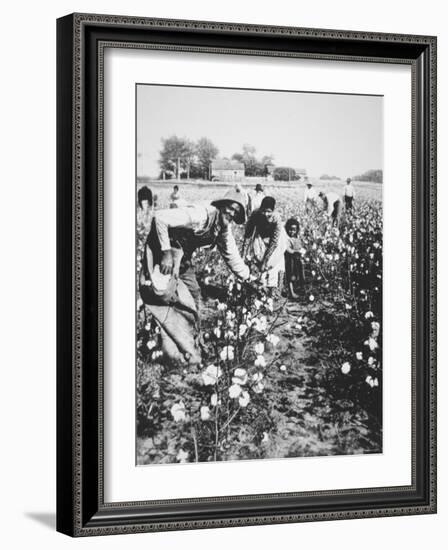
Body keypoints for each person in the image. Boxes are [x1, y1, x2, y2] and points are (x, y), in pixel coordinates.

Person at [139, 189, 250, 365]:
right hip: (162, 250)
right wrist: (166, 253)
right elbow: (159, 218)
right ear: (221, 205)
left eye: (236, 212)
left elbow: (232, 256)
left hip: (182, 258)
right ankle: (163, 347)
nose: (232, 213)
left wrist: (249, 278)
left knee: (194, 297)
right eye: (230, 208)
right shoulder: (201, 215)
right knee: (164, 295)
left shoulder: (222, 230)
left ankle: (191, 346)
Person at [243, 196, 287, 290]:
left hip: (275, 240)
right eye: (264, 211)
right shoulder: (255, 215)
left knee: (273, 262)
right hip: (260, 236)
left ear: (273, 211)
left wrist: (265, 262)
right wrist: (243, 255)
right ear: (260, 209)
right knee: (256, 258)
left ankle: (274, 287)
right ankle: (257, 284)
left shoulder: (276, 219)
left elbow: (274, 242)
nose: (266, 214)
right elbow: (248, 235)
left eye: (269, 211)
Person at [284, 218, 305, 299]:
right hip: (290, 260)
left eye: (294, 230)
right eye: (290, 230)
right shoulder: (287, 239)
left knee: (299, 274)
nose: (292, 232)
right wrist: (296, 251)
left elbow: (300, 247)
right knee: (290, 276)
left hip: (297, 260)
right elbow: (288, 249)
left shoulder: (297, 239)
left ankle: (300, 288)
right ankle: (291, 292)